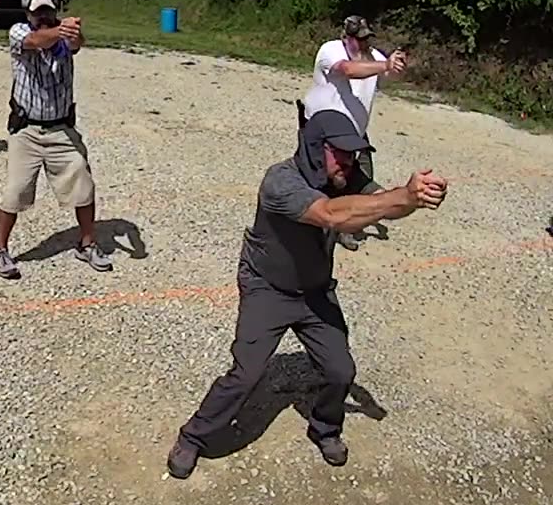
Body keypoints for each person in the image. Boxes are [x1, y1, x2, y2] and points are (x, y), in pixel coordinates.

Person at [166, 109, 448, 479]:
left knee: (340, 370)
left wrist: (412, 200)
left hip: (315, 290)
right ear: (316, 149)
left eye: (352, 154)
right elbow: (332, 215)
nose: (348, 162)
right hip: (268, 288)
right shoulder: (280, 181)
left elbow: (384, 207)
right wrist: (402, 196)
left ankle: (325, 428)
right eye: (340, 152)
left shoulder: (345, 176)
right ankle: (193, 437)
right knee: (247, 373)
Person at [0, 0, 111, 279]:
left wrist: (73, 33)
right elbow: (35, 40)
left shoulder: (64, 38)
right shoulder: (19, 32)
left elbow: (75, 44)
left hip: (61, 130)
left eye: (48, 12)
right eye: (37, 13)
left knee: (84, 183)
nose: (42, 17)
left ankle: (87, 244)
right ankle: (1, 250)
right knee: (14, 192)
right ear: (28, 14)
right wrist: (61, 29)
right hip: (27, 131)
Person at [299, 16, 406, 250]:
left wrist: (397, 63)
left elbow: (390, 74)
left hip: (355, 133)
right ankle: (320, 224)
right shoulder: (331, 50)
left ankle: (347, 223)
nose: (363, 44)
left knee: (358, 178)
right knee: (324, 179)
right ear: (346, 38)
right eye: (359, 40)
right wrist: (385, 65)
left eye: (367, 39)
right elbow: (348, 70)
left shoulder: (375, 57)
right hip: (323, 132)